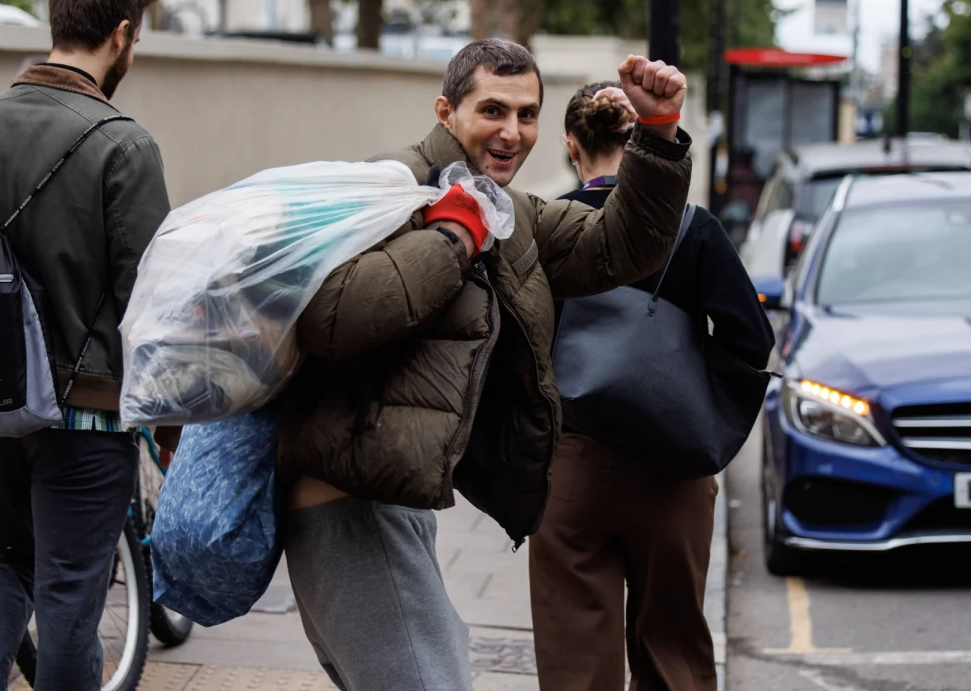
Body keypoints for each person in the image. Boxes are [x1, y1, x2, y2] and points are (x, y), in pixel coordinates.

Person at [275, 40, 694, 690]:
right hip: (343, 503)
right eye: (492, 110)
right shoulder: (392, 187)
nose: (512, 132)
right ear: (446, 111)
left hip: (396, 500)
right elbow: (330, 321)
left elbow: (618, 248)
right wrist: (452, 237)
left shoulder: (511, 215)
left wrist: (660, 134)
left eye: (527, 115)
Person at [0, 0, 170, 691]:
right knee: (69, 590)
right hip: (84, 418)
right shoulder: (125, 144)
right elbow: (147, 304)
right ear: (121, 35)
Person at [528, 82, 775, 691]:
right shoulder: (694, 228)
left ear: (570, 145)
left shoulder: (545, 226)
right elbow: (751, 338)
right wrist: (697, 405)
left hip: (570, 462)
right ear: (640, 139)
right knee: (672, 649)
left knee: (574, 656)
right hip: (673, 464)